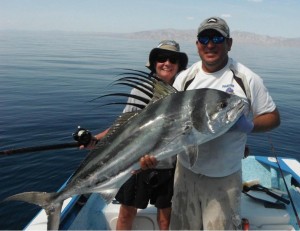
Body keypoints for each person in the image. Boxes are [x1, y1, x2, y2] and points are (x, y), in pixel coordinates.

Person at [140, 17, 281, 230]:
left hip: (224, 179)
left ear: (229, 43)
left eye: (217, 37)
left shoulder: (247, 78)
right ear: (197, 44)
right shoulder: (185, 78)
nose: (210, 44)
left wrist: (249, 125)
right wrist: (148, 152)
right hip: (185, 173)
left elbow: (273, 117)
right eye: (204, 38)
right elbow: (168, 123)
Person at [84, 40, 188, 230]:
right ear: (154, 62)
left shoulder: (185, 93)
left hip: (169, 165)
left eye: (172, 59)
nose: (167, 63)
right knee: (126, 214)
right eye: (161, 58)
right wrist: (97, 140)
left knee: (166, 219)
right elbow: (123, 125)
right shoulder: (140, 90)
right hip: (136, 164)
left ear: (179, 65)